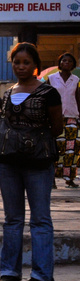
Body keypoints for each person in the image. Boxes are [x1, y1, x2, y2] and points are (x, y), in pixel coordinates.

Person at [0, 42, 63, 281]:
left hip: (38, 163)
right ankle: (9, 271)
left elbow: (57, 127)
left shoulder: (49, 93)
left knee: (40, 219)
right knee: (12, 219)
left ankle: (41, 274)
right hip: (9, 163)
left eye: (26, 62)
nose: (21, 67)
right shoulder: (8, 92)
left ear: (36, 66)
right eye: (17, 62)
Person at [47, 52, 80, 188]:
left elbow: (77, 98)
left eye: (69, 61)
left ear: (73, 65)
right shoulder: (52, 78)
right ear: (59, 63)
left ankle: (69, 178)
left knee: (72, 149)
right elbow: (47, 97)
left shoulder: (76, 80)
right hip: (56, 117)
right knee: (56, 148)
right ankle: (52, 179)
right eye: (63, 61)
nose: (66, 63)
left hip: (72, 116)